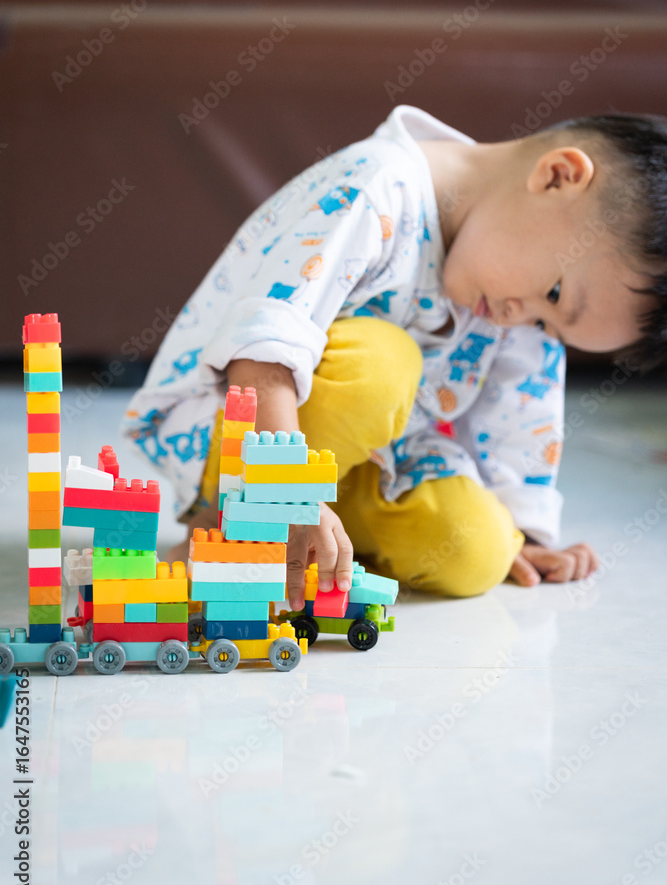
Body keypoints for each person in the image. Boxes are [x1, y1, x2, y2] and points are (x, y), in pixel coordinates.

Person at [122, 105, 667, 609]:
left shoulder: (509, 296)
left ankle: (316, 540)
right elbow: (264, 349)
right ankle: (237, 523)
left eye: (546, 324)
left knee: (476, 550)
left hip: (365, 464)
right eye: (551, 296)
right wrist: (282, 494)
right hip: (246, 431)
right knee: (381, 365)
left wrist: (523, 532)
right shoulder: (375, 186)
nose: (516, 318)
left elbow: (522, 414)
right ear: (557, 177)